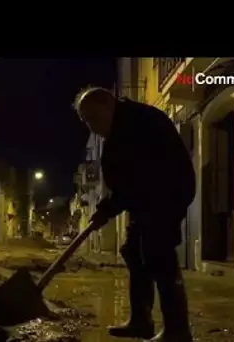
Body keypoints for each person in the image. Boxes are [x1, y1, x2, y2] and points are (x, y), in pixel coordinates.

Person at [74, 87, 196, 342]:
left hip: (166, 193)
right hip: (146, 200)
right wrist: (108, 207)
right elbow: (126, 183)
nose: (91, 127)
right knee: (133, 252)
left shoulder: (138, 124)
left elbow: (138, 177)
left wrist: (108, 209)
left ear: (108, 105)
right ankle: (141, 321)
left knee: (158, 255)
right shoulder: (120, 127)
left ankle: (178, 330)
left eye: (93, 118)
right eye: (85, 121)